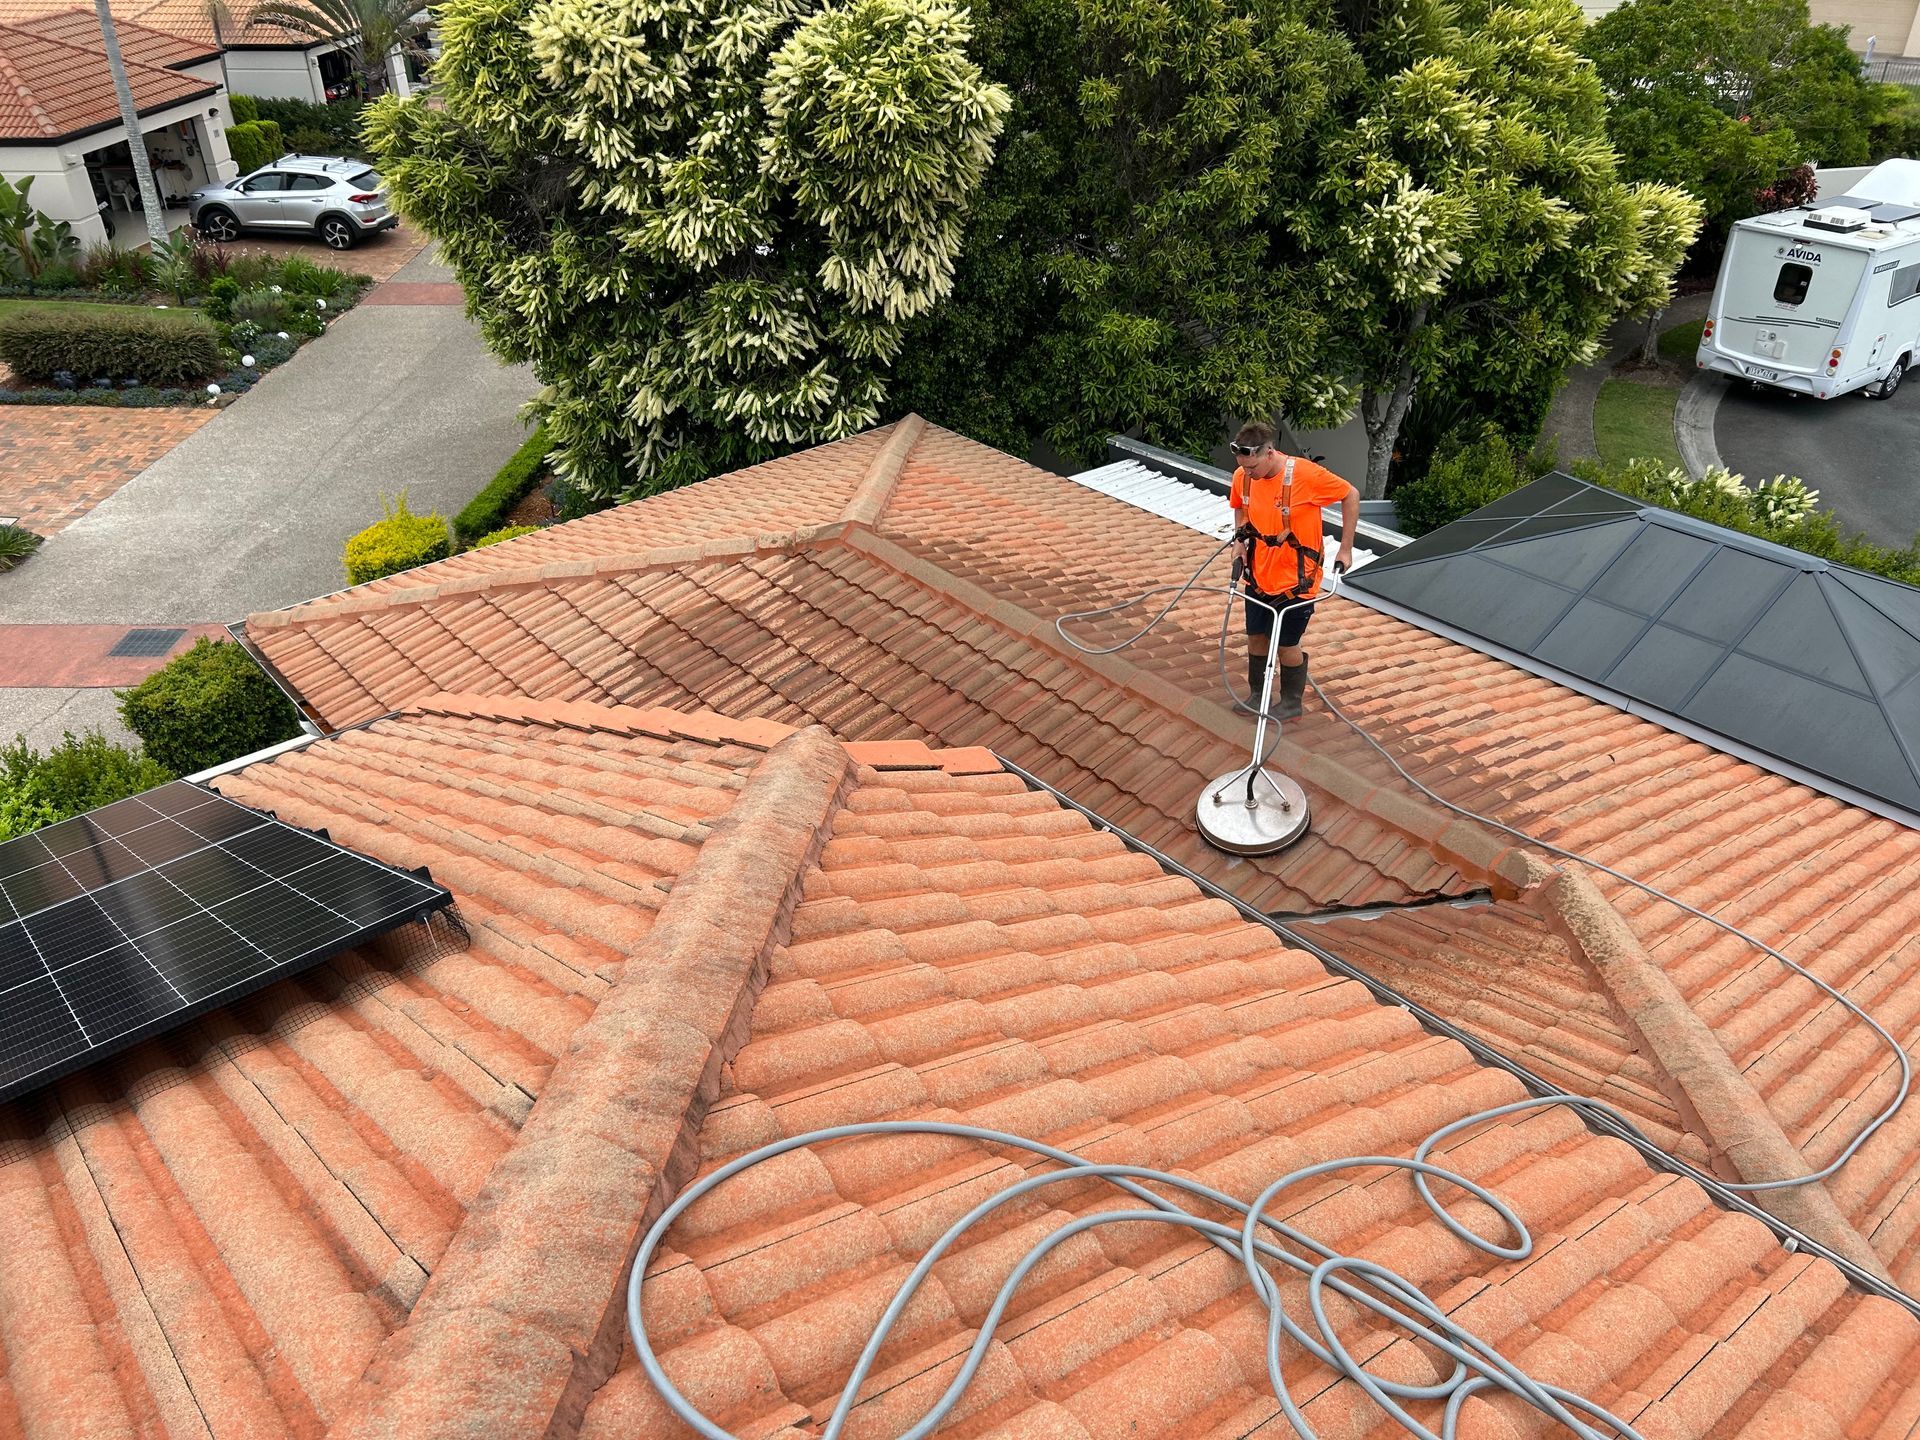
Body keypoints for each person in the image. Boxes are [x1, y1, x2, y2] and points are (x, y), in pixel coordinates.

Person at [1228, 421, 1359, 719]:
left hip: (1298, 580)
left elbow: (1350, 494)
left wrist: (1345, 548)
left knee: (1287, 644)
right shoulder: (1243, 476)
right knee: (1256, 637)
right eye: (1244, 468)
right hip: (1260, 574)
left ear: (1270, 453)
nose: (1248, 474)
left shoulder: (1305, 475)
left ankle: (1290, 703)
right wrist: (1240, 541)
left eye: (1253, 468)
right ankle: (1257, 695)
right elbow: (1240, 506)